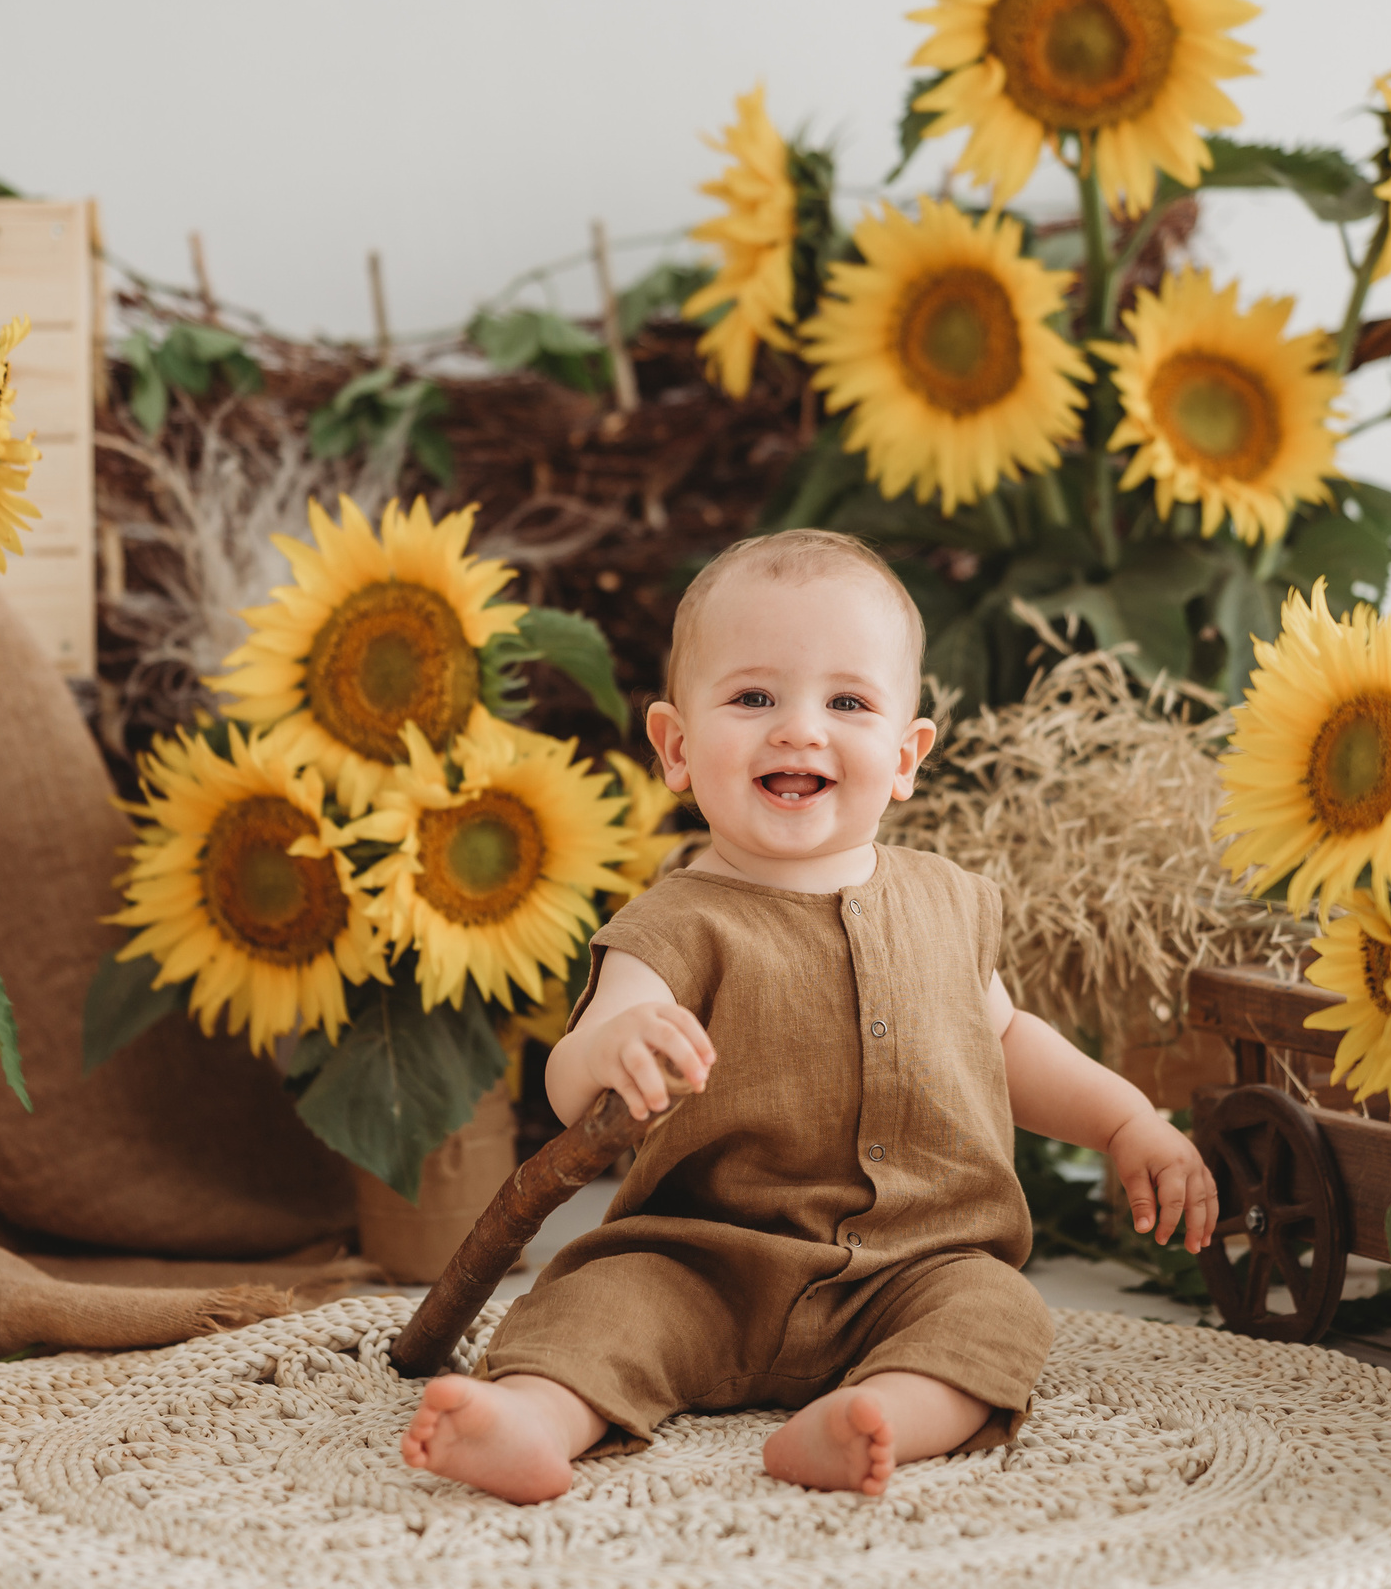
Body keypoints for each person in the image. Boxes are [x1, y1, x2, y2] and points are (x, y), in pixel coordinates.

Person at [401, 529, 1218, 1504]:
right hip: (700, 1263)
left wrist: (1124, 1121)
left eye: (847, 702)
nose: (798, 729)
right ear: (675, 746)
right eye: (753, 698)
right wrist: (618, 1046)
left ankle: (882, 1414)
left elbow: (1007, 1043)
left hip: (917, 1268)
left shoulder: (951, 902)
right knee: (592, 1309)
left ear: (906, 754)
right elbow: (572, 1069)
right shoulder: (676, 921)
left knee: (996, 1314)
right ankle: (532, 1418)